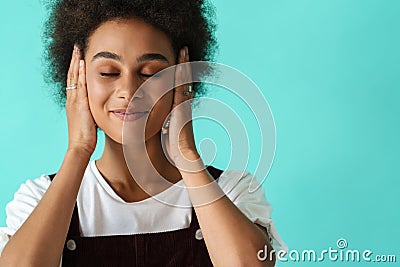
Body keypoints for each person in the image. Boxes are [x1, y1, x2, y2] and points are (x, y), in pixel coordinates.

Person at [0, 0, 287, 266]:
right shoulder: (39, 198)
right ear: (77, 79)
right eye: (109, 72)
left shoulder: (231, 191)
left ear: (182, 78)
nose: (129, 90)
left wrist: (187, 154)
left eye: (150, 73)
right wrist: (78, 149)